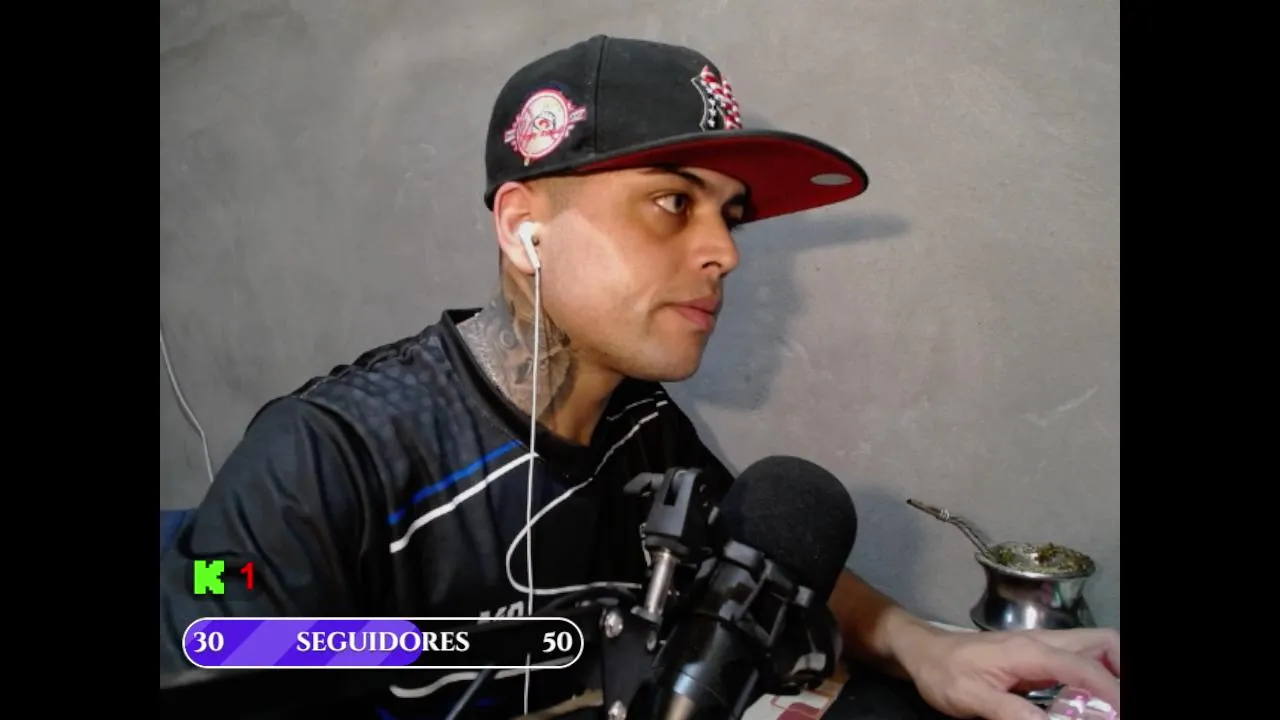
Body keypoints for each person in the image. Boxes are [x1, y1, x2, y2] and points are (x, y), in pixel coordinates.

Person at [159, 35, 1120, 720]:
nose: (725, 253)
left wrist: (928, 645)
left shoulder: (640, 424)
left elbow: (759, 559)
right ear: (525, 230)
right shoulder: (322, 454)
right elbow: (220, 623)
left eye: (728, 216)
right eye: (671, 202)